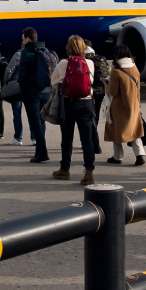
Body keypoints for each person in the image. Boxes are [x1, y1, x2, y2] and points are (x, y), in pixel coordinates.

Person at [50, 35, 97, 184]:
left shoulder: (63, 63)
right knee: (86, 139)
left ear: (68, 47)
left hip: (68, 103)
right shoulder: (89, 63)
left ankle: (65, 169)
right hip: (87, 103)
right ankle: (89, 172)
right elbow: (91, 81)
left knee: (67, 138)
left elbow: (54, 83)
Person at [18, 27, 55, 163]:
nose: (22, 41)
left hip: (32, 92)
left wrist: (23, 92)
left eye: (23, 39)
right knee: (41, 121)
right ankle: (39, 151)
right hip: (45, 91)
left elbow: (22, 75)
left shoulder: (26, 52)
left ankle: (43, 152)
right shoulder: (45, 50)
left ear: (28, 38)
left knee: (35, 122)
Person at [104, 45, 146, 166]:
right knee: (133, 129)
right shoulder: (134, 68)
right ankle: (140, 154)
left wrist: (106, 84)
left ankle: (117, 156)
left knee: (116, 129)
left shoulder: (116, 71)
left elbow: (113, 91)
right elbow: (137, 87)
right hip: (133, 104)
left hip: (119, 106)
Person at [85, 42, 109, 156]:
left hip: (91, 92)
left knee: (91, 118)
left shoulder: (88, 61)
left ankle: (95, 144)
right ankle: (93, 140)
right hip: (101, 92)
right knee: (96, 116)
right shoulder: (101, 59)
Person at [4, 47, 27, 146]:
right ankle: (34, 138)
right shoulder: (38, 54)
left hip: (17, 87)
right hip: (30, 87)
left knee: (17, 113)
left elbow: (9, 70)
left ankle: (18, 138)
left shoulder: (18, 54)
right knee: (32, 114)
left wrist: (7, 82)